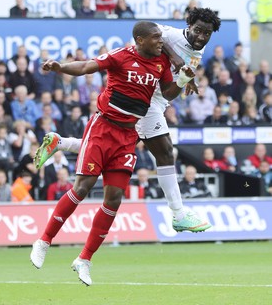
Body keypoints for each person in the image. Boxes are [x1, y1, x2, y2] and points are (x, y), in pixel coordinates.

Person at [30, 20, 199, 285]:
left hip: (128, 135)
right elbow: (86, 66)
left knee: (114, 199)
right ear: (140, 40)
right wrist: (60, 66)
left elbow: (167, 92)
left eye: (160, 37)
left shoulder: (161, 63)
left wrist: (184, 78)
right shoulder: (121, 56)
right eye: (156, 38)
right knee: (83, 187)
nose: (160, 42)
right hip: (103, 127)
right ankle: (44, 240)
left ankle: (84, 259)